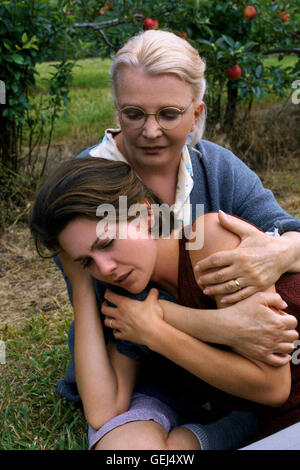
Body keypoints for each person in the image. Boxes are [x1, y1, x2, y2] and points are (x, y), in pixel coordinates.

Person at [62, 29, 300, 369]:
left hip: (227, 367)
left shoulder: (216, 166)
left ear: (196, 113)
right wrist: (226, 327)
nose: (151, 131)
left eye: (169, 114)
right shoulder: (84, 186)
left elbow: (290, 231)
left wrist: (280, 252)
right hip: (137, 369)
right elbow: (121, 311)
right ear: (117, 109)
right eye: (133, 114)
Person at [29, 157, 300, 450]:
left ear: (146, 215)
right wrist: (80, 284)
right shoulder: (132, 300)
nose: (104, 268)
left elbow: (273, 387)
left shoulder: (208, 241)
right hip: (271, 424)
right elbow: (103, 409)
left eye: (107, 243)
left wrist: (156, 332)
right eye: (87, 261)